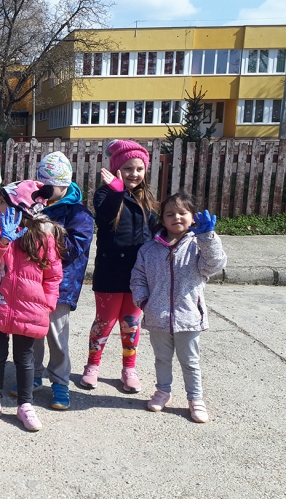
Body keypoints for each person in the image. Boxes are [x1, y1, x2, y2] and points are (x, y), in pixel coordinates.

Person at [0, 180, 63, 432]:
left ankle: (25, 404)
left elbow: (53, 275)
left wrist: (48, 303)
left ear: (19, 208)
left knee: (25, 358)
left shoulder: (43, 237)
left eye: (2, 203)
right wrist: (2, 240)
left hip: (30, 307)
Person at [131, 192, 226, 423]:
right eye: (170, 214)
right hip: (157, 317)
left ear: (192, 217)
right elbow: (138, 278)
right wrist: (144, 302)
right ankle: (163, 392)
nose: (177, 218)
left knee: (190, 361)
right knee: (162, 358)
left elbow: (214, 265)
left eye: (183, 213)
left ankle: (196, 399)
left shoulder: (198, 245)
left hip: (189, 317)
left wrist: (208, 238)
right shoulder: (148, 250)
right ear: (162, 219)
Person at [13, 152, 93, 410]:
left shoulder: (78, 213)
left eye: (51, 188)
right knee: (33, 332)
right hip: (32, 283)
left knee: (57, 336)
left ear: (65, 185)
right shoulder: (35, 204)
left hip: (61, 285)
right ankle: (33, 375)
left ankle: (60, 381)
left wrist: (47, 231)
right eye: (42, 186)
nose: (45, 192)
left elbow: (75, 247)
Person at [81, 140, 159, 393]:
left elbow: (157, 231)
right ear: (116, 170)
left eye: (138, 169)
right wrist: (115, 191)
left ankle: (129, 368)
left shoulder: (147, 198)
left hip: (139, 274)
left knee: (130, 323)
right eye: (127, 168)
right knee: (104, 321)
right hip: (110, 271)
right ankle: (92, 365)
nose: (133, 174)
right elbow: (104, 216)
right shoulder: (105, 194)